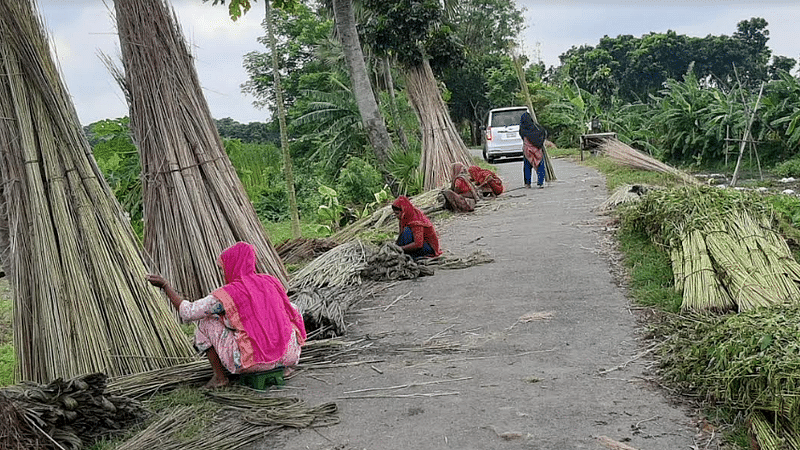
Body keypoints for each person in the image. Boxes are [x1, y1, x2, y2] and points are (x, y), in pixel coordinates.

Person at [146, 241, 306, 388]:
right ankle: (282, 365)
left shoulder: (227, 295)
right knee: (288, 308)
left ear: (232, 265)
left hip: (254, 362)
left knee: (206, 322)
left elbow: (187, 313)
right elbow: (291, 311)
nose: (222, 274)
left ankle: (220, 377)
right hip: (289, 356)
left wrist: (165, 286)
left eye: (222, 269)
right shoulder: (271, 282)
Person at [519, 111, 547, 188]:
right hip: (537, 150)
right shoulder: (537, 128)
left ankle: (528, 183)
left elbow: (522, 136)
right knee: (540, 165)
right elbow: (543, 132)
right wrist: (539, 143)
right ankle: (540, 182)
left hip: (527, 150)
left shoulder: (523, 129)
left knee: (527, 166)